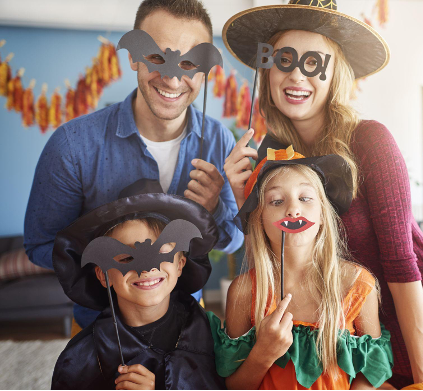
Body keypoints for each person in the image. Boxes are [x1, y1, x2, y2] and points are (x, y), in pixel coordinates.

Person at [222, 1, 423, 389]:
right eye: (284, 60)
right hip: (362, 347)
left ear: (335, 71)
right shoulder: (273, 159)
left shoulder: (369, 140)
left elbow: (402, 264)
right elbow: (277, 261)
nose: (296, 75)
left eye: (314, 62)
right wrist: (244, 202)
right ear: (267, 70)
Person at [24, 0, 243, 332]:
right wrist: (112, 252)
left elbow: (233, 241)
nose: (172, 79)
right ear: (133, 56)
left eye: (188, 62)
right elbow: (40, 245)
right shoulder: (72, 145)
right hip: (101, 330)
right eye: (157, 58)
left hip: (188, 329)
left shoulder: (220, 143)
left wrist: (211, 210)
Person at [210, 147, 393, 390]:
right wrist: (263, 353)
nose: (293, 210)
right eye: (276, 201)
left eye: (305, 198)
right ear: (259, 218)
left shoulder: (357, 286)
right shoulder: (244, 292)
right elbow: (234, 386)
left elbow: (370, 375)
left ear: (322, 212)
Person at [51, 179, 226, 390]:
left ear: (180, 265)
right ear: (103, 275)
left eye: (162, 253)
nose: (147, 269)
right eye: (126, 258)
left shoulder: (212, 337)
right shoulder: (80, 360)